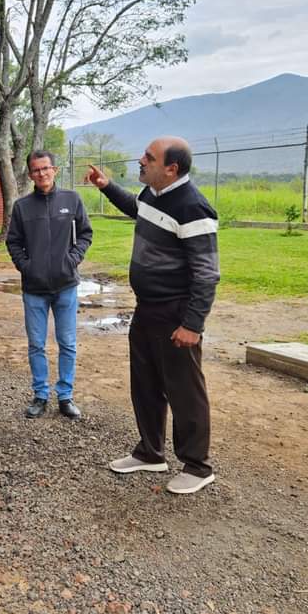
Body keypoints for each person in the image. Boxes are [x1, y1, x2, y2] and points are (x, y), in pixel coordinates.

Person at [86, 136, 220, 495]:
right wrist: (106, 186)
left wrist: (192, 324)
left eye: (149, 157)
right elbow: (137, 208)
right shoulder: (154, 196)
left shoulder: (194, 208)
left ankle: (197, 465)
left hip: (176, 313)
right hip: (146, 309)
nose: (140, 160)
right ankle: (150, 452)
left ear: (171, 168)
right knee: (145, 384)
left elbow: (207, 273)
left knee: (184, 390)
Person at [6, 150, 93, 419]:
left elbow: (86, 234)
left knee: (68, 343)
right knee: (36, 345)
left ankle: (65, 397)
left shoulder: (72, 199)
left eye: (45, 168)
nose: (41, 174)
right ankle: (40, 395)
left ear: (54, 169)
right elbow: (13, 242)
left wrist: (73, 259)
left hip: (66, 285)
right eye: (36, 170)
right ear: (30, 174)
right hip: (34, 290)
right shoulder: (22, 207)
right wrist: (27, 267)